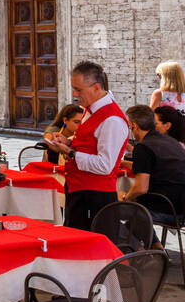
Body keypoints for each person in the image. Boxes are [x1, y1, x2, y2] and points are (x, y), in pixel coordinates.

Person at [45, 60, 129, 230]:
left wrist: (70, 153)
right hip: (80, 191)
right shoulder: (90, 110)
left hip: (95, 195)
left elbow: (105, 165)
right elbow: (89, 143)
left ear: (96, 88)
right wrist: (68, 141)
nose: (75, 94)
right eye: (73, 88)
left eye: (79, 90)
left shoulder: (112, 119)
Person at [122, 105, 185, 228]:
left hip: (167, 211)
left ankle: (128, 243)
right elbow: (150, 167)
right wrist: (122, 163)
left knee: (112, 204)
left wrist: (125, 198)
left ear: (134, 126)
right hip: (184, 207)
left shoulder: (144, 147)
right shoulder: (169, 141)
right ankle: (155, 244)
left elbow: (141, 188)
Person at [150, 60, 185, 145]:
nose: (158, 77)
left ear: (164, 76)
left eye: (158, 74)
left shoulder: (159, 94)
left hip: (169, 139)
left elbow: (150, 119)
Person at [41, 103, 85, 167]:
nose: (80, 125)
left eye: (82, 122)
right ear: (65, 120)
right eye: (76, 122)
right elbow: (49, 156)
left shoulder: (82, 132)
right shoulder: (52, 132)